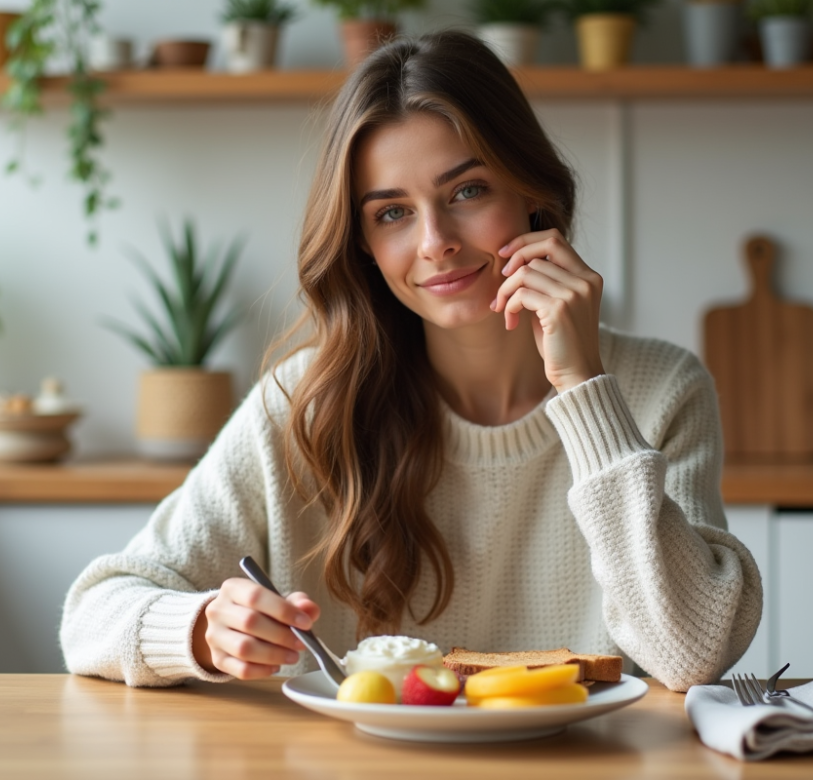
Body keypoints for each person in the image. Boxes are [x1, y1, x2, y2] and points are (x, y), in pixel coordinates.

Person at [60, 30, 762, 693]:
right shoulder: (305, 401)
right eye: (392, 213)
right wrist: (201, 631)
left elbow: (692, 654)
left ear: (533, 196)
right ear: (362, 242)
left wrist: (583, 387)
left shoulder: (660, 391)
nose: (435, 242)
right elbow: (91, 613)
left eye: (467, 192)